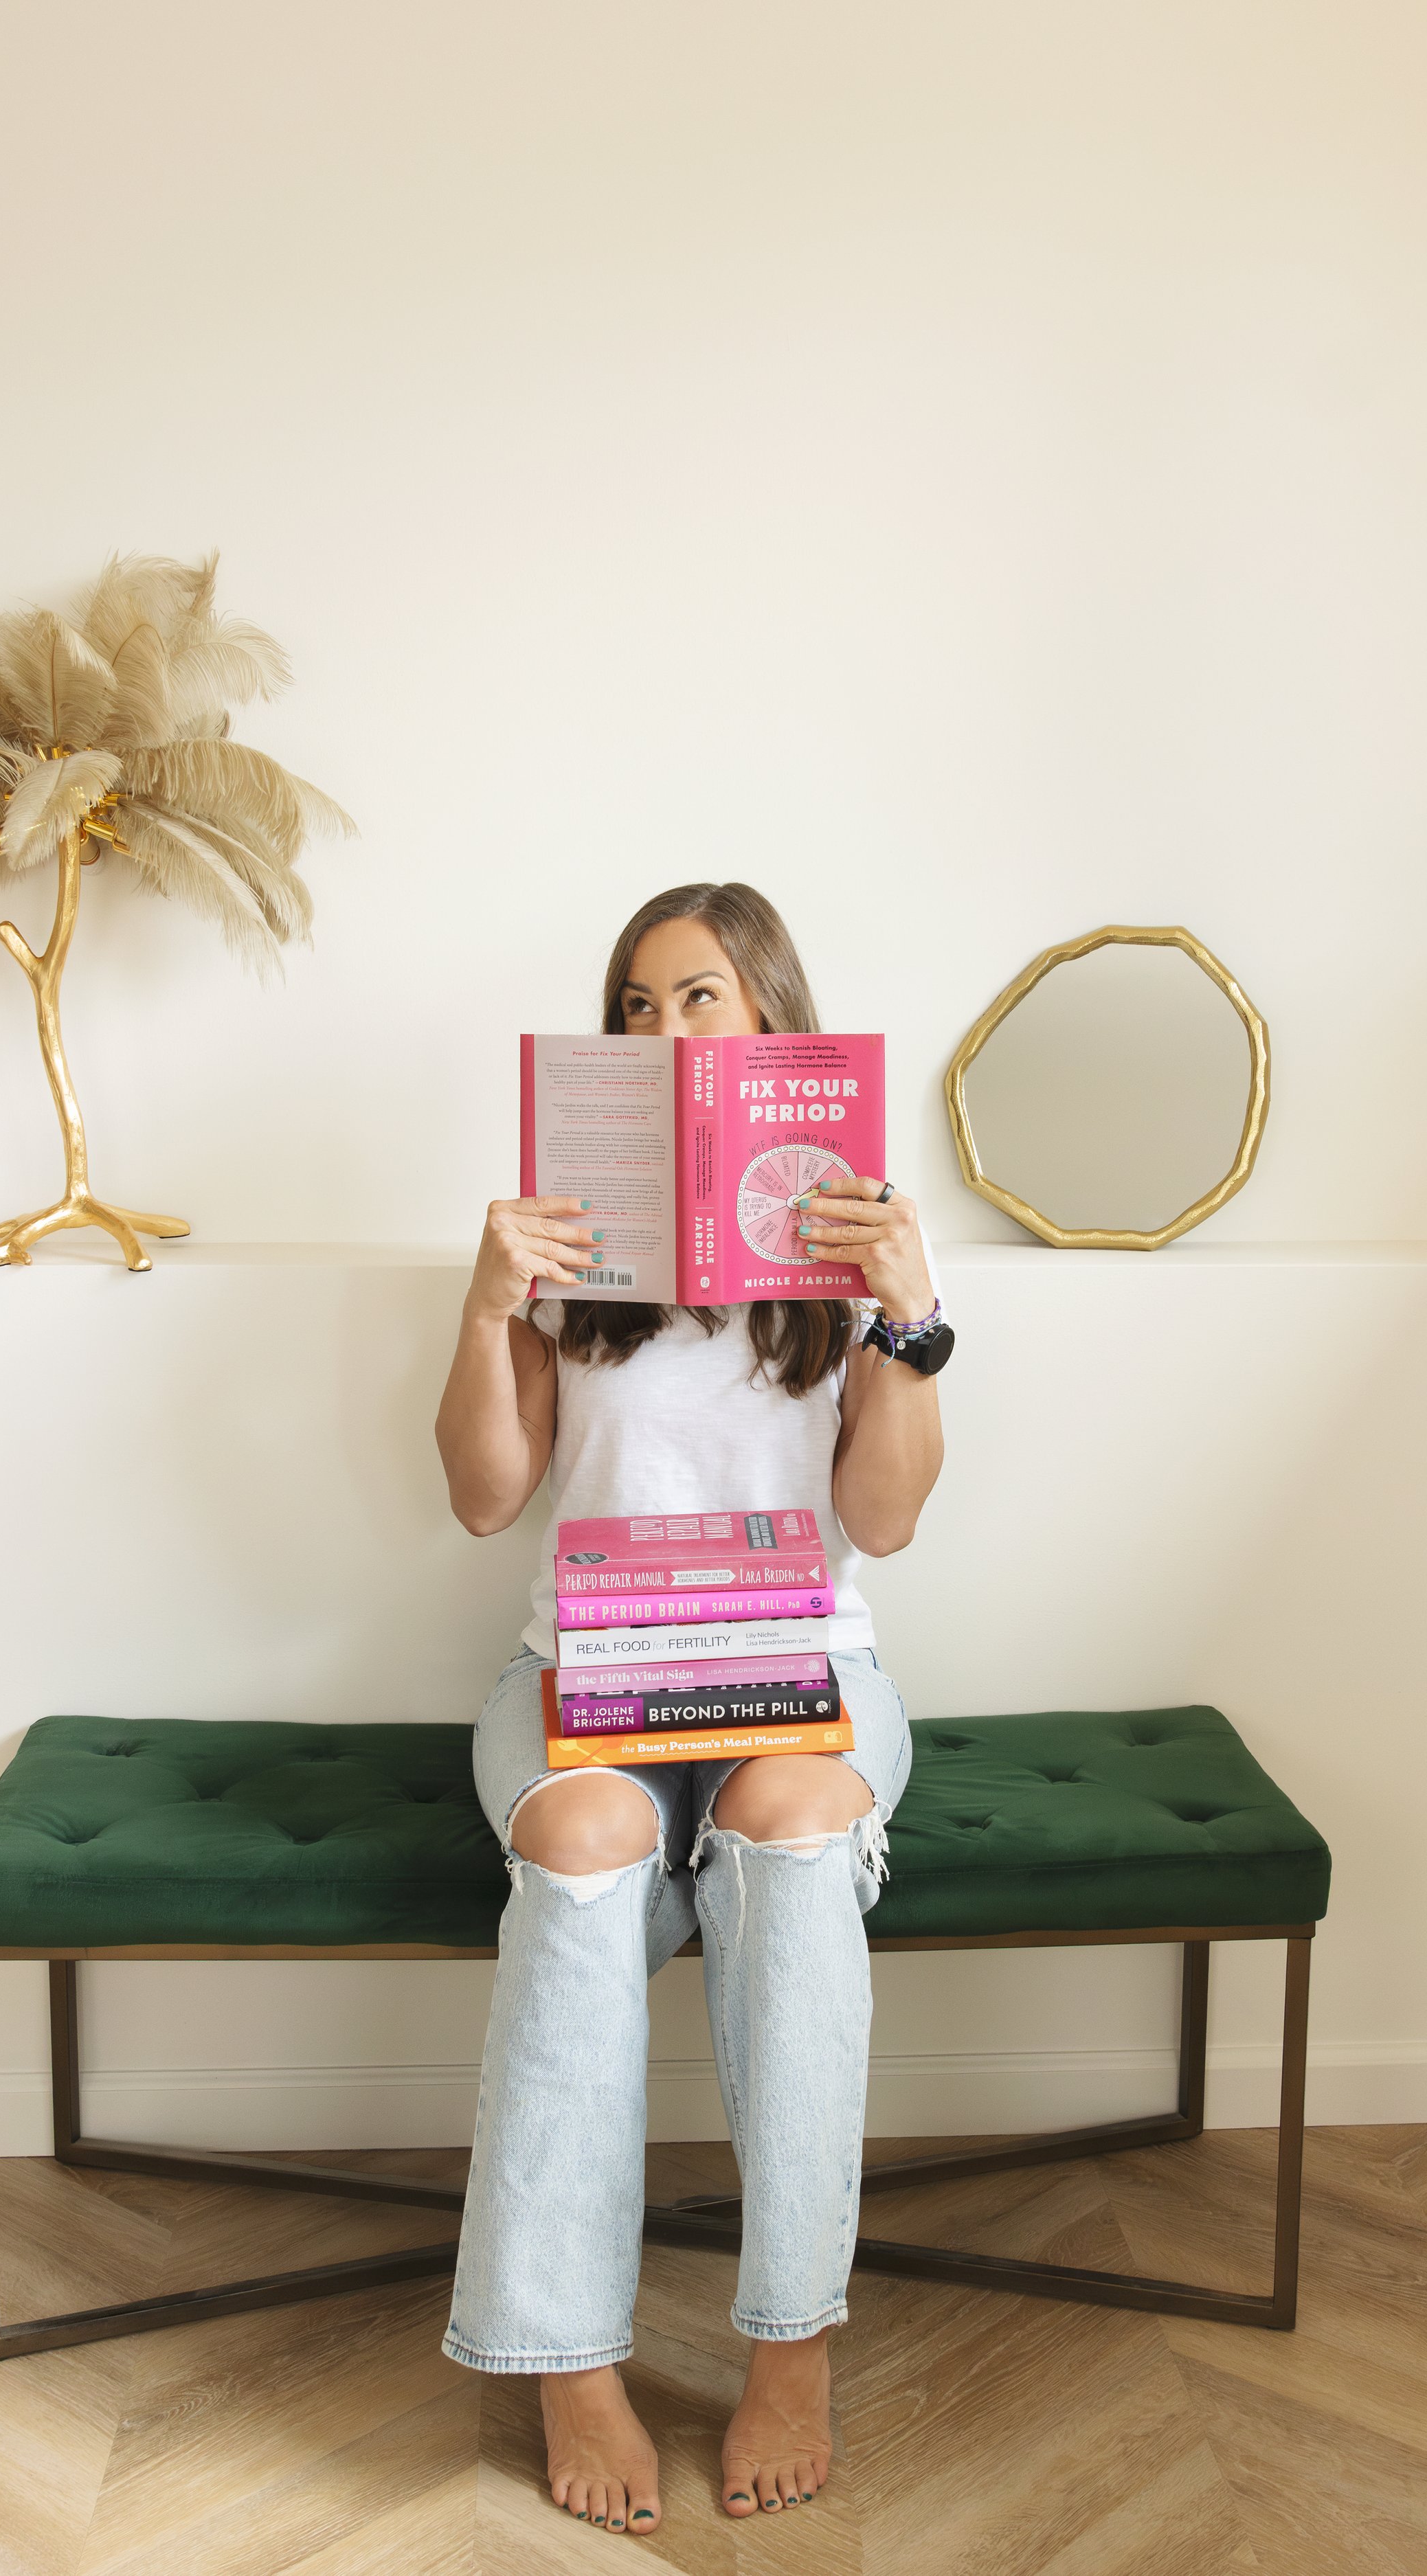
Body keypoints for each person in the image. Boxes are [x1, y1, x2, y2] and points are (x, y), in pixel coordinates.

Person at [434, 881, 946, 2534]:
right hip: (584, 1672)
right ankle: (566, 2360)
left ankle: (789, 2342)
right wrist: (486, 1303)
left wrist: (910, 1315)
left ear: (770, 1021)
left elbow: (880, 1523)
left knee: (787, 1826)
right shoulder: (572, 1242)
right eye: (637, 1005)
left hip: (800, 1664)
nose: (665, 1030)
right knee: (584, 1849)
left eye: (700, 998)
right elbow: (480, 1498)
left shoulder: (837, 1251)